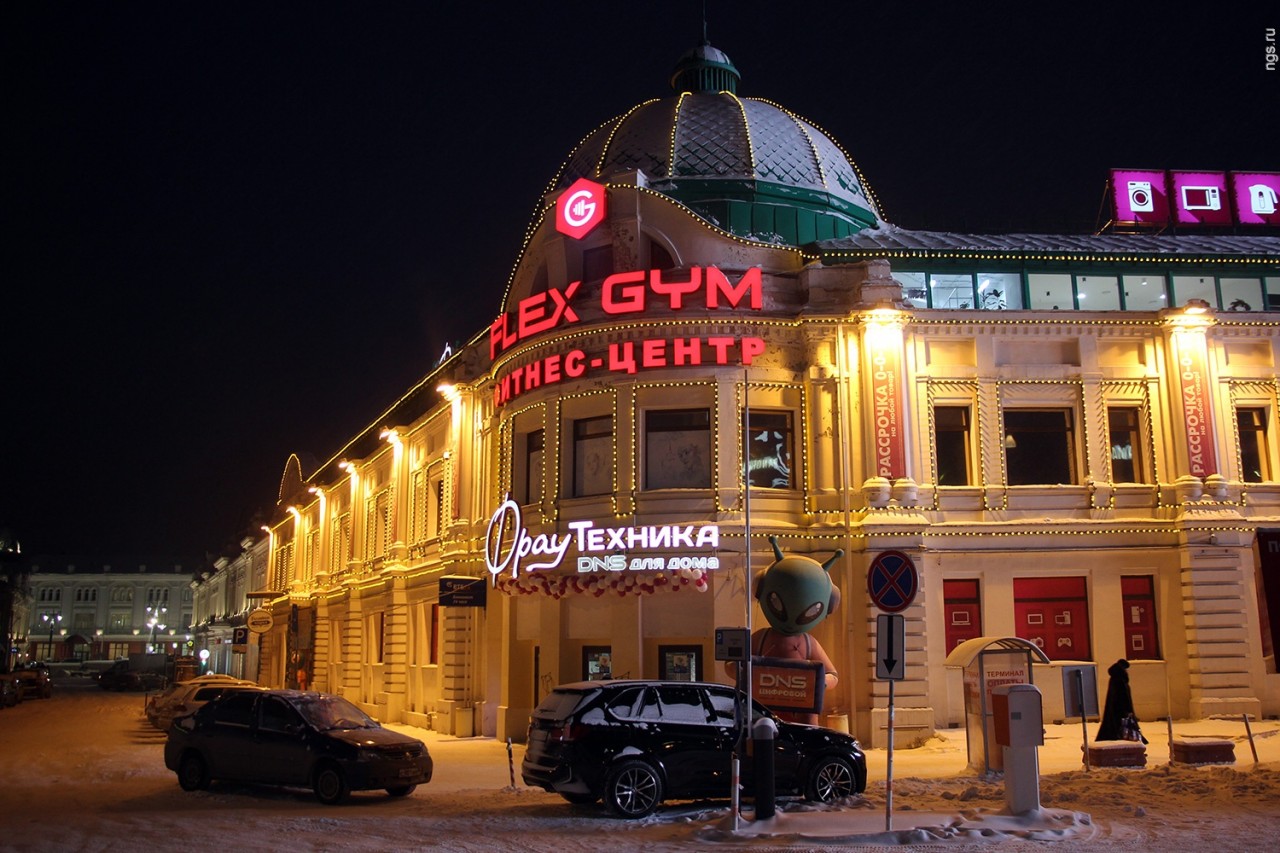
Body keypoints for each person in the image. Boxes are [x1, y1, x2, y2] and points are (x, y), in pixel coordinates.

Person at [1095, 658, 1146, 743]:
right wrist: (1128, 710)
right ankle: (1131, 747)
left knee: (1113, 730)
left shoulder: (1114, 678)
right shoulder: (1120, 679)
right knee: (1124, 730)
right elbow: (1124, 696)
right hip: (1121, 711)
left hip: (1114, 710)